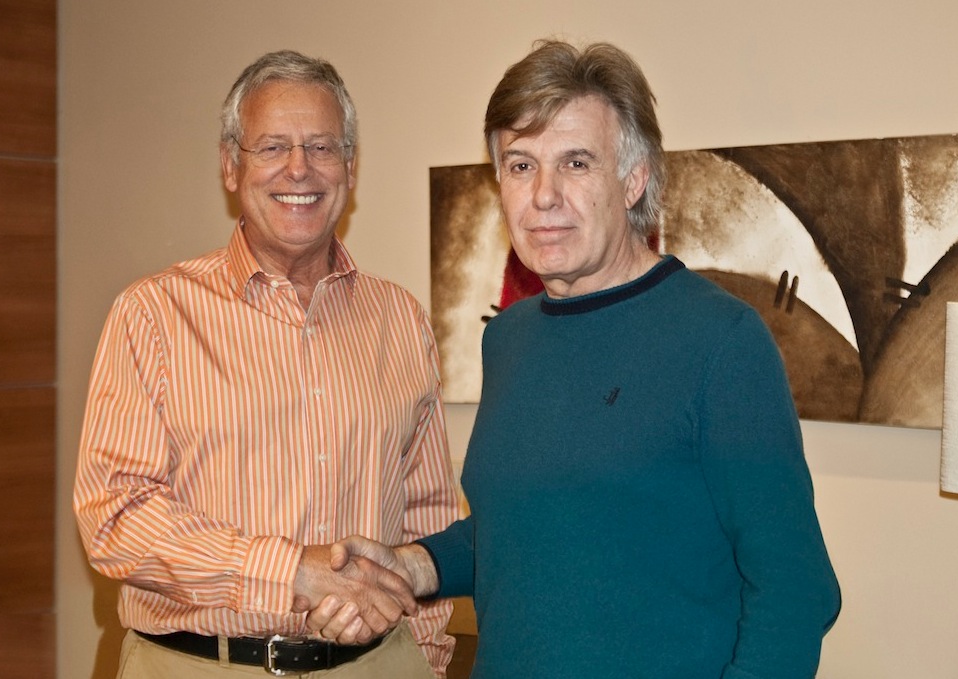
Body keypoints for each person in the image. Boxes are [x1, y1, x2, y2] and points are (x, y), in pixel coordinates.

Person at [311, 39, 842, 678]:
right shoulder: (509, 337)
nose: (544, 195)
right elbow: (524, 529)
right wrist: (411, 565)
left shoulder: (721, 341)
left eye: (576, 162)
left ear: (634, 178)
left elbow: (795, 591)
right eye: (521, 165)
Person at [73, 50, 460, 679]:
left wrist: (428, 661)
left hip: (379, 664)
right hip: (200, 664)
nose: (299, 168)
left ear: (351, 166)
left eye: (322, 147)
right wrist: (291, 573)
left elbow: (429, 515)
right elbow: (115, 518)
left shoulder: (401, 319)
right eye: (272, 147)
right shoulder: (153, 315)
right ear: (231, 165)